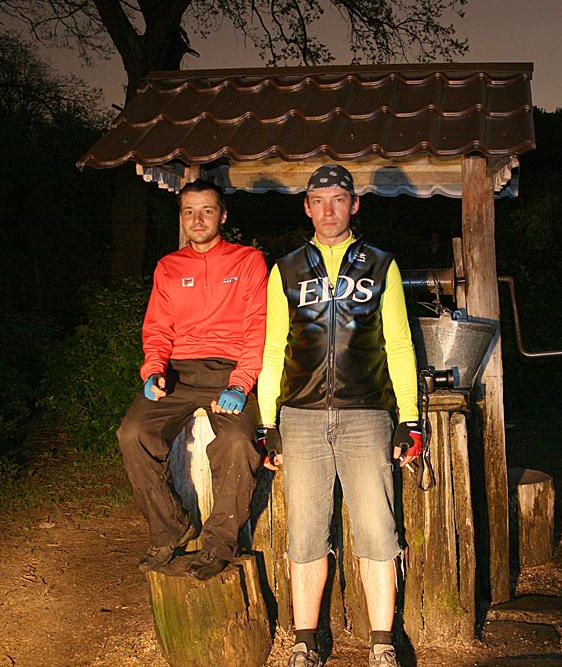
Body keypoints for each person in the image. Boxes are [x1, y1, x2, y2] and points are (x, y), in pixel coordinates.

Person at [258, 165, 423, 667]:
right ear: (307, 207)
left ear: (354, 205)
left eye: (338, 199)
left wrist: (409, 418)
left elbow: (399, 344)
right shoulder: (285, 269)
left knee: (377, 530)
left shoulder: (381, 266)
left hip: (366, 415)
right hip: (301, 417)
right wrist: (268, 424)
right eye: (319, 200)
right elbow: (272, 351)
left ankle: (382, 645)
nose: (328, 210)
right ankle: (304, 643)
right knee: (306, 533)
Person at [116, 180, 267, 581]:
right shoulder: (169, 266)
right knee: (133, 433)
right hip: (178, 373)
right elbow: (158, 328)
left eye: (206, 210)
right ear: (181, 218)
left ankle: (219, 545)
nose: (197, 220)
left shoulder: (248, 261)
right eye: (189, 212)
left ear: (223, 215)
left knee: (237, 444)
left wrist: (241, 383)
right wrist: (153, 370)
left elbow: (257, 327)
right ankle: (170, 528)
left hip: (229, 372)